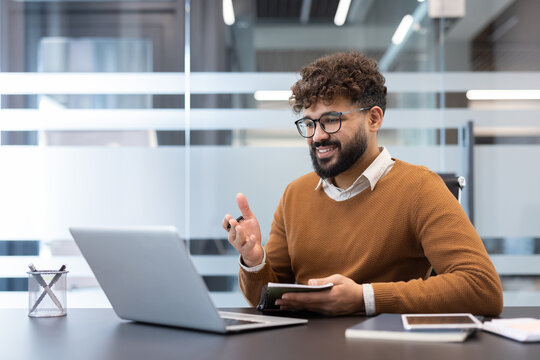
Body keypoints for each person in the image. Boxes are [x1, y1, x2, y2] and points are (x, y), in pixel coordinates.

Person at [222, 52, 503, 316]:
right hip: (306, 347)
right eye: (309, 123)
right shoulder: (295, 194)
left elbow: (482, 287)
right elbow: (267, 299)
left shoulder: (420, 188)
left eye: (331, 120)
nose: (317, 136)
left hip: (388, 347)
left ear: (373, 118)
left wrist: (364, 298)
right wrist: (254, 259)